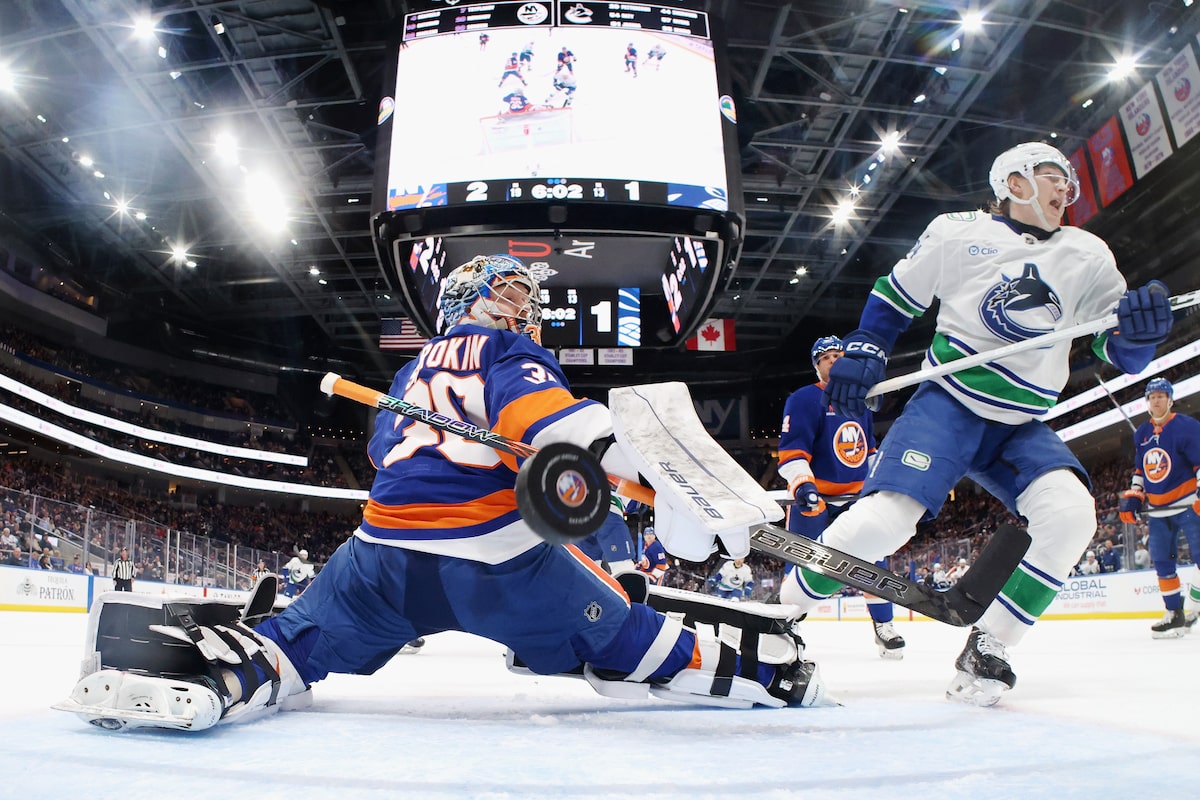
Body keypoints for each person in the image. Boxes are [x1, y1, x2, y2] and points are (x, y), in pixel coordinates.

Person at [57, 254, 829, 732]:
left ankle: (216, 676)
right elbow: (565, 431)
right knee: (626, 637)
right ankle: (771, 675)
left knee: (297, 641)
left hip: (380, 557)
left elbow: (387, 455)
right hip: (498, 564)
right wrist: (662, 480)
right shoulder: (505, 349)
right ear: (478, 300)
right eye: (513, 293)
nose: (525, 308)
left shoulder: (406, 373)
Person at [779, 141, 1175, 706]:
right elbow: (895, 297)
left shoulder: (1088, 254)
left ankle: (990, 644)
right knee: (882, 524)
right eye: (1052, 175)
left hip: (1019, 423)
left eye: (1068, 180)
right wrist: (867, 345)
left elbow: (1119, 351)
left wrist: (1140, 332)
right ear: (1014, 182)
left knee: (1070, 515)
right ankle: (780, 615)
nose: (1066, 187)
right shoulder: (957, 232)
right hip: (949, 405)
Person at [777, 336, 904, 659]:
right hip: (815, 498)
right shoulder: (804, 399)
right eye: (826, 357)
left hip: (856, 498)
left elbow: (868, 450)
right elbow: (792, 451)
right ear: (816, 364)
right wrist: (802, 485)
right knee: (801, 562)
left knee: (873, 559)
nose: (833, 360)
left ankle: (884, 626)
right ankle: (785, 627)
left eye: (838, 355)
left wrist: (882, 483)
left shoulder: (859, 401)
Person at [1117, 377, 1200, 637]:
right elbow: (1141, 470)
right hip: (1158, 511)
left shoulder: (1187, 426)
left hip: (1188, 505)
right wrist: (1134, 495)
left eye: (1161, 396)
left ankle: (1195, 607)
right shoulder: (1142, 433)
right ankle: (1174, 613)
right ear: (1147, 402)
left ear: (1170, 400)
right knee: (1163, 563)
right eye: (1152, 397)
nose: (1156, 400)